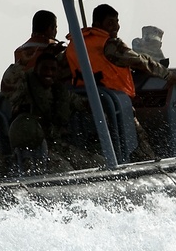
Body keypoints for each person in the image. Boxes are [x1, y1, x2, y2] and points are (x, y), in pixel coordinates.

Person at [65, 4, 176, 160]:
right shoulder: (110, 44)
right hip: (112, 106)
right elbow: (140, 61)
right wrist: (168, 76)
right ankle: (149, 164)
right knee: (139, 143)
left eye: (117, 21)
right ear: (97, 24)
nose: (115, 26)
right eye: (110, 23)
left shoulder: (75, 43)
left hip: (85, 105)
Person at [8, 43, 104, 173]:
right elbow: (9, 83)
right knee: (65, 170)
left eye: (53, 69)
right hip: (32, 149)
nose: (49, 73)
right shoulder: (25, 90)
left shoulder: (60, 92)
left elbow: (82, 103)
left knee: (98, 163)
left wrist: (102, 106)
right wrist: (22, 63)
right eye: (45, 69)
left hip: (57, 145)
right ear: (36, 70)